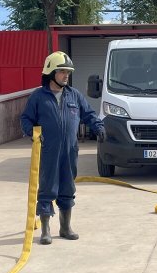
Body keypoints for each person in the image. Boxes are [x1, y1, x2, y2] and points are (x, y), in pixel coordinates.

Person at [21, 51, 105, 245]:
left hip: (69, 151)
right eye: (62, 71)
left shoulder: (74, 96)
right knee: (47, 188)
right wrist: (31, 132)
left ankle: (65, 227)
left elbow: (89, 114)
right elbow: (25, 118)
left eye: (68, 71)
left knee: (68, 187)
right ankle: (45, 230)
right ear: (51, 73)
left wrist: (99, 127)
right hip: (47, 151)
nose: (66, 75)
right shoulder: (38, 97)